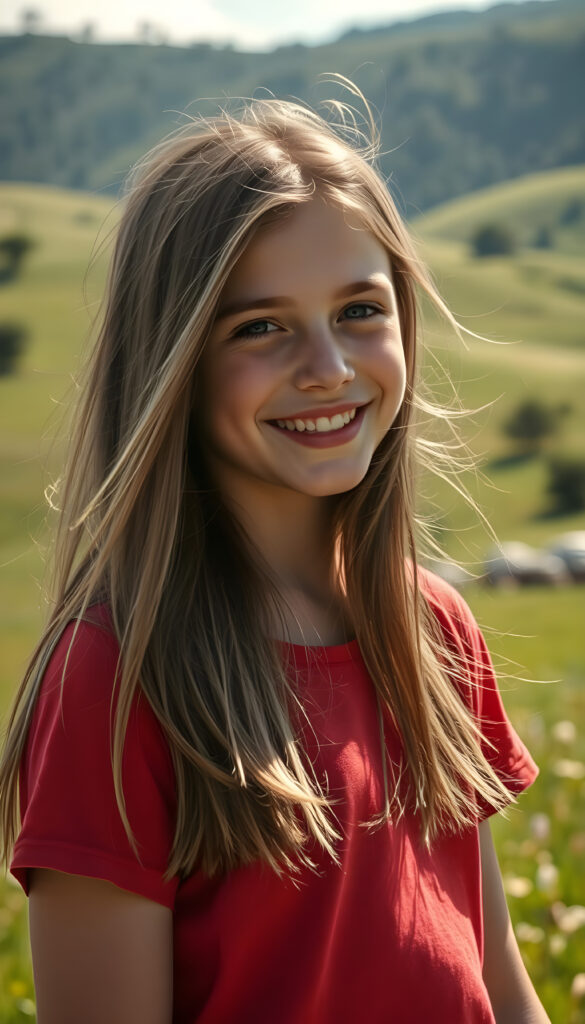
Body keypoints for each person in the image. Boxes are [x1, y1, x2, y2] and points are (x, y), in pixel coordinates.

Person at [0, 79, 549, 1023]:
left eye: (359, 311)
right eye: (260, 327)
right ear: (171, 361)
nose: (329, 369)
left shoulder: (433, 631)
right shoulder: (118, 676)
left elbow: (493, 971)